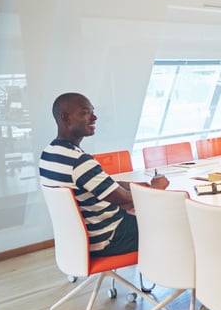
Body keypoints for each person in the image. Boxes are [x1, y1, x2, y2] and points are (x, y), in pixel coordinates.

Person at [39, 92, 169, 257]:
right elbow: (126, 199)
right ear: (65, 118)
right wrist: (157, 188)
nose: (94, 117)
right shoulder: (79, 162)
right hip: (109, 238)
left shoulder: (49, 154)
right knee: (175, 222)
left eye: (92, 112)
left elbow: (103, 185)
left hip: (80, 239)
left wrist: (132, 186)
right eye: (86, 113)